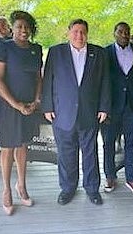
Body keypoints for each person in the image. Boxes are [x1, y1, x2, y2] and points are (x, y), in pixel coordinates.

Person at [42, 19, 110, 205]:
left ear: (87, 34)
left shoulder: (99, 53)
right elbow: (48, 79)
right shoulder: (56, 52)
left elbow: (105, 81)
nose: (79, 35)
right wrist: (47, 106)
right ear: (69, 32)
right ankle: (68, 188)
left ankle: (92, 189)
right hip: (62, 112)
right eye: (76, 32)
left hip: (90, 112)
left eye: (83, 32)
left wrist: (104, 107)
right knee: (66, 153)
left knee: (90, 153)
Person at [0, 10, 42, 215]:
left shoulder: (36, 49)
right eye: (20, 26)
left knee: (23, 145)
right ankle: (6, 190)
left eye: (27, 27)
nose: (23, 30)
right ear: (13, 28)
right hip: (9, 105)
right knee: (8, 147)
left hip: (29, 106)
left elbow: (39, 77)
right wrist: (16, 104)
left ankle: (21, 186)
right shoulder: (3, 47)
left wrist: (37, 100)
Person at [102, 22, 133, 195]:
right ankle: (110, 176)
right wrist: (103, 107)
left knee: (132, 143)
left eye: (127, 32)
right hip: (111, 107)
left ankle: (131, 178)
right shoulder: (105, 53)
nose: (124, 34)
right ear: (114, 33)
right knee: (108, 144)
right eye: (120, 31)